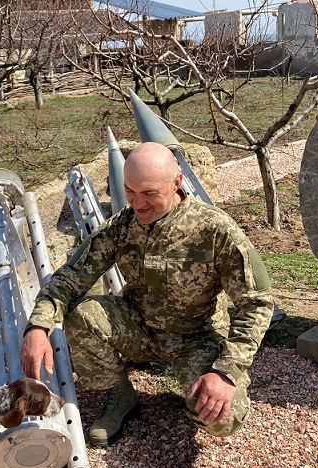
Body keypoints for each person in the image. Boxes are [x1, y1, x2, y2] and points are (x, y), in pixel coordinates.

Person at [20, 142, 273, 446]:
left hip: (196, 338)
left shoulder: (216, 231)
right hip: (139, 327)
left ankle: (200, 388)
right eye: (130, 191)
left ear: (177, 183)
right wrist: (37, 326)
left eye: (150, 193)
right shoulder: (122, 226)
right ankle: (119, 394)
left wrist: (227, 373)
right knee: (81, 315)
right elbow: (70, 279)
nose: (137, 204)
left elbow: (256, 304)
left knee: (223, 418)